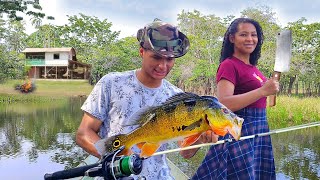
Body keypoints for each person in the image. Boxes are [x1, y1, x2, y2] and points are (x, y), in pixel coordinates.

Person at [76, 19, 194, 180]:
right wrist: (116, 158)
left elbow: (185, 152)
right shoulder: (111, 83)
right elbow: (84, 133)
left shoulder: (177, 97)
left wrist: (202, 134)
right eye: (156, 57)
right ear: (141, 52)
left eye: (169, 59)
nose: (163, 66)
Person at [187, 18, 279, 179]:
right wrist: (263, 91)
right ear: (232, 38)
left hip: (258, 133)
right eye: (243, 34)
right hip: (239, 135)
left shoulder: (254, 69)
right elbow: (224, 103)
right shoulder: (229, 65)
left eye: (253, 35)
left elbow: (260, 97)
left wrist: (268, 91)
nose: (250, 39)